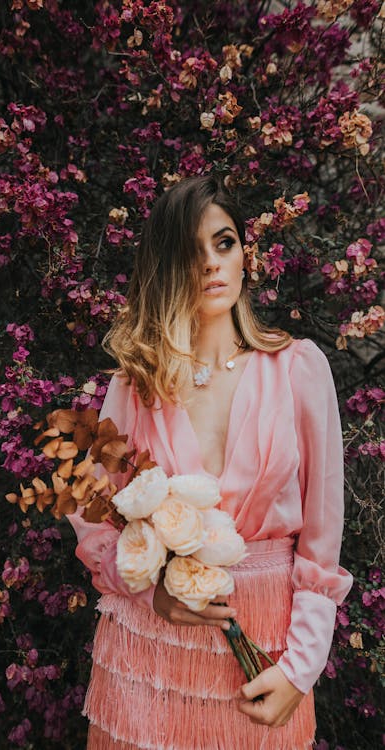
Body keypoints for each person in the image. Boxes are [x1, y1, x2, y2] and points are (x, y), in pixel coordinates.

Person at [66, 174, 353, 750]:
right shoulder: (136, 384)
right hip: (146, 657)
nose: (212, 264)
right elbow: (94, 518)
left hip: (266, 649)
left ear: (246, 254)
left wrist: (301, 668)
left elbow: (323, 541)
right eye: (191, 252)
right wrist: (154, 594)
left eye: (224, 243)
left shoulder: (298, 369)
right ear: (165, 268)